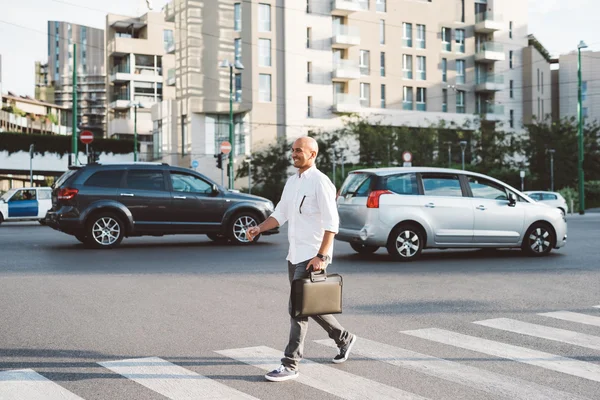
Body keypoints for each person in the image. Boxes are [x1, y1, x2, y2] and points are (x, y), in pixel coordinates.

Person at [246, 136, 357, 382]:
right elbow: (280, 214)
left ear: (312, 154)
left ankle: (290, 363)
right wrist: (259, 228)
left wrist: (322, 255)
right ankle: (344, 338)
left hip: (312, 256)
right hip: (294, 254)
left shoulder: (321, 182)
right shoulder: (292, 182)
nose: (294, 154)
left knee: (297, 311)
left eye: (299, 150)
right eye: (293, 150)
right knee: (308, 306)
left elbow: (332, 223)